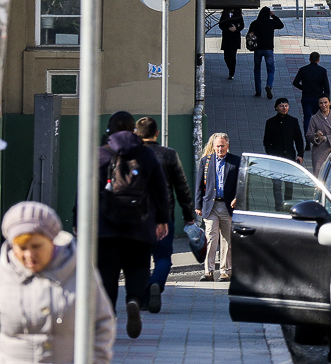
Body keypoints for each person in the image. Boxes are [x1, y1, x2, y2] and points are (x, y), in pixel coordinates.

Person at [0, 202, 115, 363]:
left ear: (53, 240)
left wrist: (96, 360)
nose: (29, 254)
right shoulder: (4, 274)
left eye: (36, 246)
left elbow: (102, 322)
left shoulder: (79, 269)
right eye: (22, 247)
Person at [96, 112, 170, 339]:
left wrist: (79, 221)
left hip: (107, 227)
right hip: (140, 225)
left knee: (107, 273)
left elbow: (85, 192)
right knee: (137, 269)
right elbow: (160, 190)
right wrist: (161, 220)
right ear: (133, 130)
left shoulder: (101, 155)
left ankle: (109, 317)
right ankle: (134, 301)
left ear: (109, 131)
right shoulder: (146, 154)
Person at [134, 117, 194, 314]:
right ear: (156, 133)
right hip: (163, 216)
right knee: (163, 257)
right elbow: (182, 186)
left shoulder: (130, 155)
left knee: (139, 260)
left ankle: (141, 298)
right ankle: (156, 284)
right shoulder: (169, 154)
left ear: (137, 133)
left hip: (136, 217)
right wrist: (188, 214)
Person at [194, 133, 240, 282]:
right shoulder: (205, 162)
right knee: (210, 238)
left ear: (227, 146)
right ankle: (208, 272)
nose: (220, 149)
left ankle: (225, 271)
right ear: (213, 147)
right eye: (217, 146)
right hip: (210, 205)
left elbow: (242, 182)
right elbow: (199, 185)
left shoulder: (235, 161)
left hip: (228, 206)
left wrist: (237, 198)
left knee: (227, 240)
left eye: (222, 146)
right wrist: (198, 205)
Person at [263, 98, 305, 207]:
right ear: (276, 108)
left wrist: (300, 154)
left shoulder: (293, 121)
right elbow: (266, 142)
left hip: (289, 158)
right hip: (275, 159)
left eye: (286, 105)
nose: (284, 108)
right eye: (281, 106)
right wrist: (271, 155)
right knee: (277, 185)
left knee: (289, 185)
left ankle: (288, 205)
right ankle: (278, 206)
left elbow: (299, 139)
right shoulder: (270, 122)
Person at [292, 51, 331, 135]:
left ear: (309, 59)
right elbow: (326, 87)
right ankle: (317, 136)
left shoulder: (303, 70)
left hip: (306, 97)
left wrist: (303, 88)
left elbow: (295, 82)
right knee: (318, 118)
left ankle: (307, 138)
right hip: (318, 98)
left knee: (307, 118)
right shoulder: (322, 71)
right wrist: (327, 100)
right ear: (319, 60)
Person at [248, 7, 284, 99]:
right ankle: (269, 85)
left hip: (257, 49)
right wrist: (273, 16)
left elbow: (249, 34)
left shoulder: (254, 23)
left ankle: (258, 91)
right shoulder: (271, 22)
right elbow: (281, 25)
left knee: (257, 70)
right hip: (268, 49)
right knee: (271, 69)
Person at [307, 96, 331, 175]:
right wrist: (316, 135)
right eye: (321, 103)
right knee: (319, 175)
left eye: (325, 102)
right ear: (318, 104)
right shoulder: (314, 118)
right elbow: (309, 135)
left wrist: (326, 138)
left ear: (329, 103)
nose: (323, 105)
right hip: (319, 151)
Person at [218, 8, 244, 80]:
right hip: (226, 37)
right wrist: (227, 29)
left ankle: (231, 72)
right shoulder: (225, 14)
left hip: (235, 38)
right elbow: (221, 24)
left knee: (232, 56)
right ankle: (230, 68)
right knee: (226, 56)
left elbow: (242, 25)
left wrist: (236, 29)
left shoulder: (238, 13)